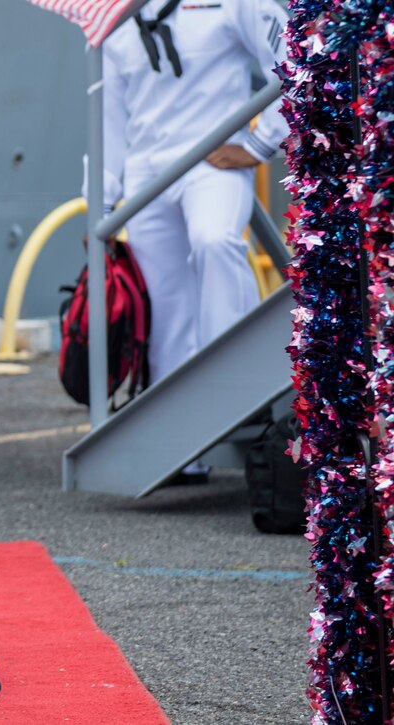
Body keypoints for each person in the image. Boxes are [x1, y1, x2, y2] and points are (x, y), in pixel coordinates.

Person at [95, 0, 289, 481]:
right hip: (147, 173)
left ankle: (236, 395)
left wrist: (260, 145)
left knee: (215, 241)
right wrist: (98, 207)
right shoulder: (113, 20)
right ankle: (183, 443)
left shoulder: (233, 3)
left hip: (211, 161)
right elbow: (109, 124)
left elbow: (294, 59)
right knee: (164, 300)